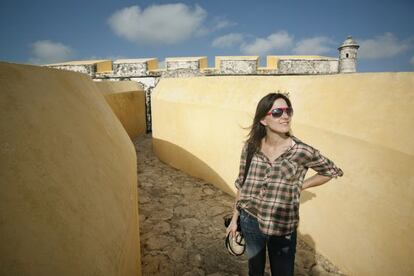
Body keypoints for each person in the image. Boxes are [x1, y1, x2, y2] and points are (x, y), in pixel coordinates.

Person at [226, 92, 343, 276]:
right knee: (254, 270)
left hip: (282, 225)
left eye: (288, 111)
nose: (285, 116)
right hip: (250, 220)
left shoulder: (302, 151)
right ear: (263, 120)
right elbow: (242, 184)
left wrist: (300, 185)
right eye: (278, 112)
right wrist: (234, 220)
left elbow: (330, 171)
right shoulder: (251, 147)